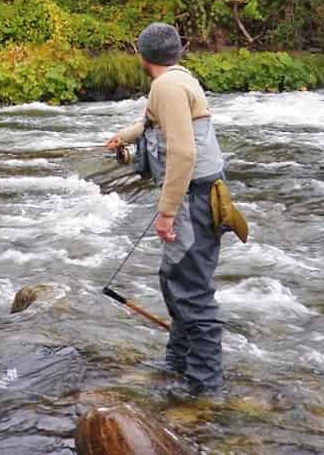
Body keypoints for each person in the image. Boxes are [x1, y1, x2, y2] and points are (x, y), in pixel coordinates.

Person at [105, 22, 226, 397]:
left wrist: (166, 211)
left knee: (191, 291)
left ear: (142, 55)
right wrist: (125, 137)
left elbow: (184, 152)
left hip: (193, 201)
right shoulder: (178, 81)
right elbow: (152, 122)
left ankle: (205, 389)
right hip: (201, 197)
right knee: (174, 280)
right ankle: (178, 365)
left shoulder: (168, 87)